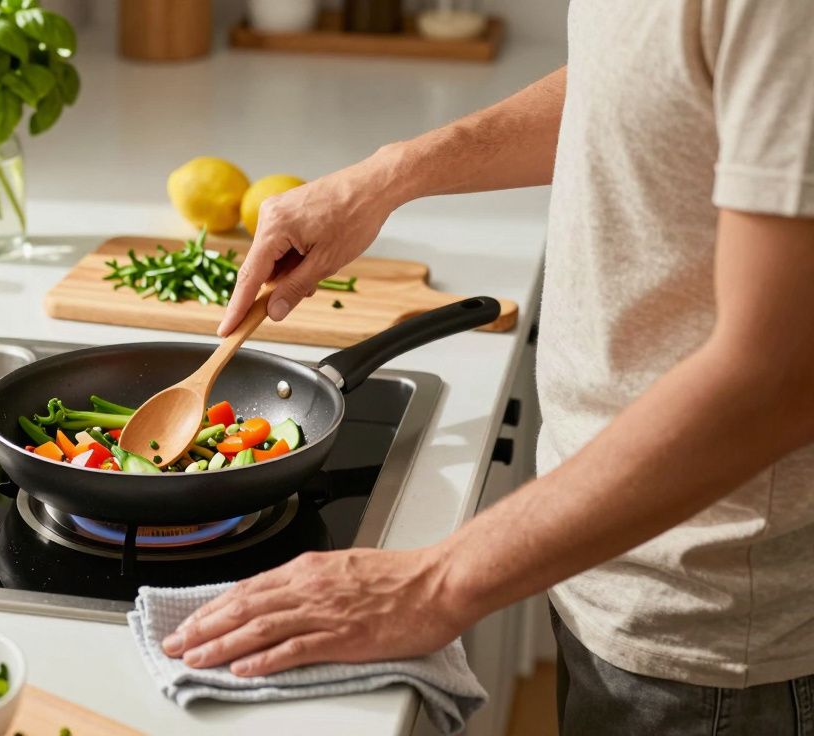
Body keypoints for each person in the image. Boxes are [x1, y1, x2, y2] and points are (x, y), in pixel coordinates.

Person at [159, 2, 814, 733]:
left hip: (711, 626)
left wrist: (435, 583)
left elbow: (781, 376)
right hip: (601, 554)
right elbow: (643, 76)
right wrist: (389, 175)